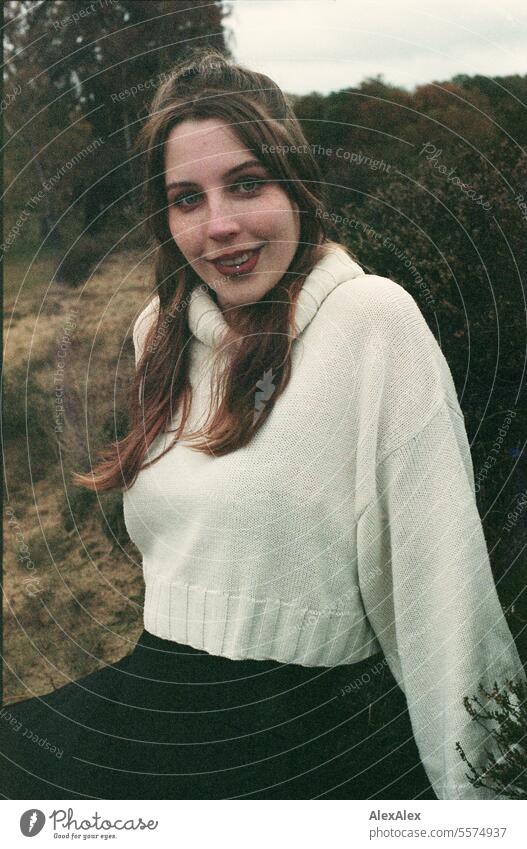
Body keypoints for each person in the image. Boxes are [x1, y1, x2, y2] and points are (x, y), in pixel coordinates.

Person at [1, 47, 524, 802]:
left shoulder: (369, 321)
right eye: (186, 198)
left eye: (246, 185)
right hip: (154, 701)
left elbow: (439, 586)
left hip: (282, 739)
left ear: (296, 186)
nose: (219, 226)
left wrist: (490, 800)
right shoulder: (162, 327)